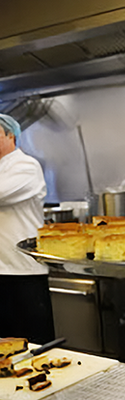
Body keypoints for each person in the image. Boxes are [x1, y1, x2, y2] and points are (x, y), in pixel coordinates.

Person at [0, 113, 55, 344]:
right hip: (2, 272)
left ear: (10, 135)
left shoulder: (26, 165)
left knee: (33, 342)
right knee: (5, 345)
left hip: (24, 272)